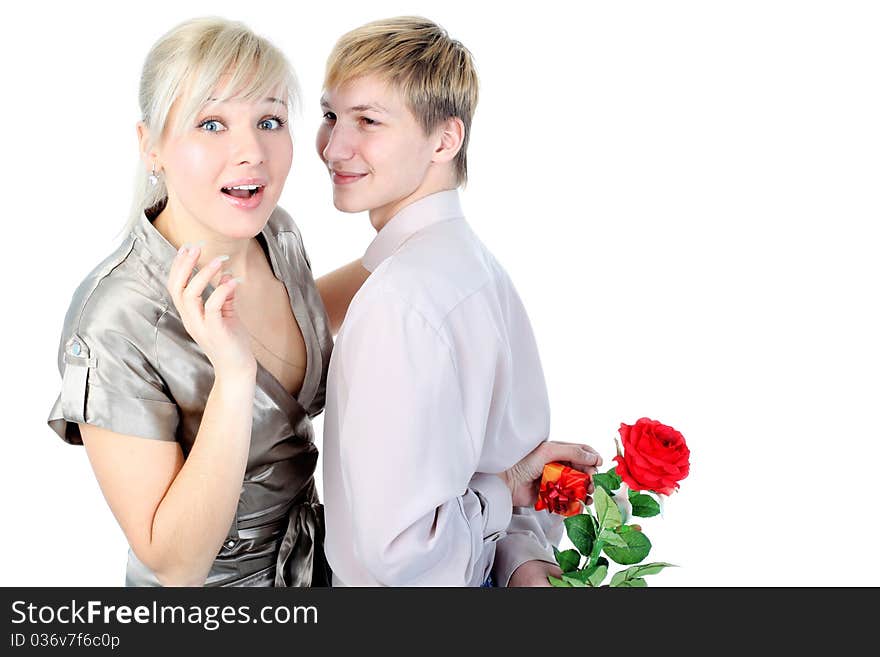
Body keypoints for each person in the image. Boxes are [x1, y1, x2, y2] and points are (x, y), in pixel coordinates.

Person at [46, 17, 369, 587]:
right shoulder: (112, 322)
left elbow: (299, 321)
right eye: (211, 122)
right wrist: (234, 372)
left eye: (269, 120)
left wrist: (413, 249)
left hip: (324, 568)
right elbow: (176, 565)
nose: (251, 151)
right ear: (152, 148)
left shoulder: (277, 235)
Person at [318, 16, 603, 587]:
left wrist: (502, 495)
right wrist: (521, 546)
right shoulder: (476, 269)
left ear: (446, 140)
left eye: (368, 121)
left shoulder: (400, 302)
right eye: (329, 116)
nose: (333, 147)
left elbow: (398, 556)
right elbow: (519, 471)